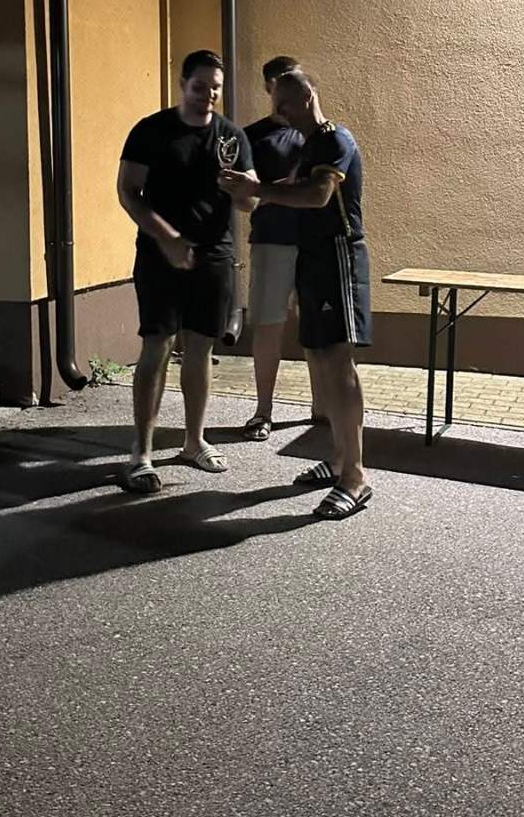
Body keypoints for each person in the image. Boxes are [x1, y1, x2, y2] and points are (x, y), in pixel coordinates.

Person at [221, 68, 371, 520]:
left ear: (306, 97)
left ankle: (356, 477)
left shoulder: (334, 139)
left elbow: (319, 195)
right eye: (276, 104)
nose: (279, 112)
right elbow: (292, 188)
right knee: (321, 356)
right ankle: (339, 459)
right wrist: (250, 191)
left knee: (338, 361)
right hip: (313, 256)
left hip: (338, 256)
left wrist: (258, 189)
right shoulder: (310, 146)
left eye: (284, 103)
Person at [116, 49, 257, 493]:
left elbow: (249, 202)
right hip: (160, 255)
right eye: (200, 86)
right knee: (156, 348)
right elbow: (128, 191)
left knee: (200, 350)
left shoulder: (232, 137)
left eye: (215, 88)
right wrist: (168, 237)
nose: (208, 95)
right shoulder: (151, 131)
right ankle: (141, 453)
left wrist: (242, 190)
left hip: (214, 256)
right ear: (182, 85)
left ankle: (194, 442)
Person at [240, 54, 324, 440]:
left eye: (294, 83)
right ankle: (263, 412)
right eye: (279, 85)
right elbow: (246, 198)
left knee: (317, 328)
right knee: (268, 328)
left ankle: (321, 409)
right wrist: (284, 189)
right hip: (271, 241)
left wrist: (279, 190)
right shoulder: (251, 136)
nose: (286, 95)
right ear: (268, 88)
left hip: (315, 244)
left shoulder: (320, 135)